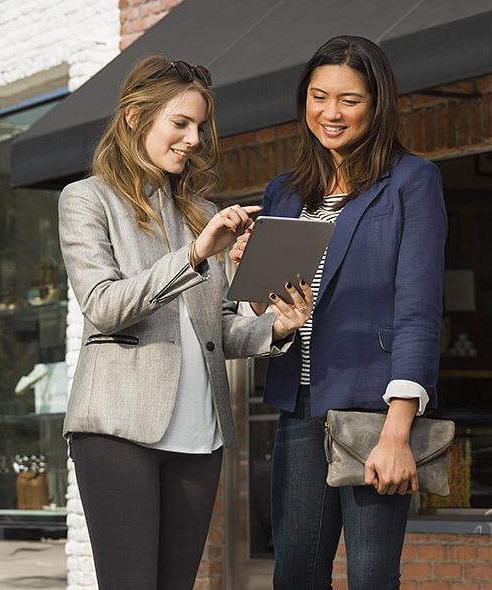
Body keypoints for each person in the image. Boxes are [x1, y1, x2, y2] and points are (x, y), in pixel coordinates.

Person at [57, 55, 314, 590]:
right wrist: (195, 256)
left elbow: (217, 330)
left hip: (201, 432)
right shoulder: (87, 200)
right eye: (180, 123)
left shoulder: (199, 212)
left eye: (200, 126)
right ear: (134, 118)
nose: (194, 138)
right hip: (117, 428)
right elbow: (103, 305)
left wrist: (276, 328)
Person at [230, 36, 447, 589]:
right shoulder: (284, 192)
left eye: (349, 100)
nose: (330, 113)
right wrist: (246, 273)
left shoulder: (410, 182)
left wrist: (398, 432)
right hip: (298, 409)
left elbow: (418, 311)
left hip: (373, 415)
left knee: (372, 577)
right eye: (318, 96)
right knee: (294, 576)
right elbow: (267, 311)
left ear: (377, 105)